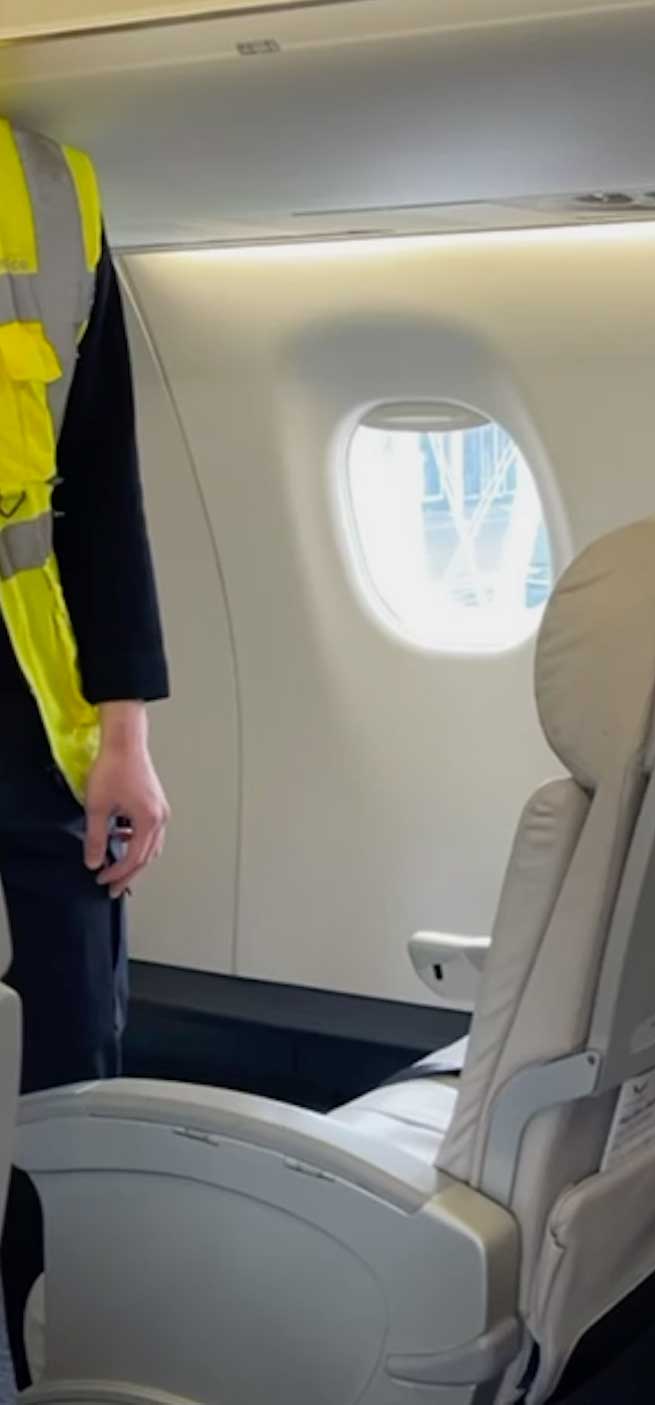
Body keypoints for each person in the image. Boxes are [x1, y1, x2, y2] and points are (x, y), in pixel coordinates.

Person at [0, 118, 171, 1387]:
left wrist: (129, 732)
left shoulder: (51, 192)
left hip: (34, 684)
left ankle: (49, 1331)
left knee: (76, 1036)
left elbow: (100, 477)